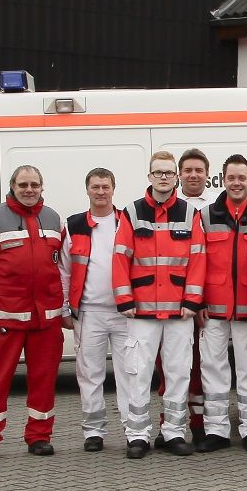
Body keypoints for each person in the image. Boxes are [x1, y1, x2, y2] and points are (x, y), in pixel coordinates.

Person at [0, 165, 66, 462]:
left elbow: (61, 265)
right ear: (12, 186)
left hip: (44, 318)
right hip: (2, 319)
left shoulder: (54, 219)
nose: (29, 189)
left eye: (35, 184)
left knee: (44, 380)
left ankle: (39, 436)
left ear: (42, 187)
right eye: (23, 184)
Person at [113, 150, 207, 459]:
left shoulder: (189, 213)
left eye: (168, 173)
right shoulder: (132, 211)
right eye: (158, 172)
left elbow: (197, 258)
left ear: (176, 177)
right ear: (150, 176)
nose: (163, 178)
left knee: (179, 372)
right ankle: (137, 435)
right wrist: (124, 298)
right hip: (141, 310)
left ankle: (174, 433)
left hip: (179, 310)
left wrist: (193, 301)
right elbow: (120, 257)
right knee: (138, 373)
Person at [197, 154, 247, 453]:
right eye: (231, 177)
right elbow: (196, 260)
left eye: (242, 177)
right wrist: (198, 298)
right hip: (213, 307)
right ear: (222, 179)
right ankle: (216, 430)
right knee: (213, 368)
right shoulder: (205, 216)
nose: (237, 182)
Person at [60, 168, 132, 453]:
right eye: (95, 187)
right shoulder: (74, 225)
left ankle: (133, 428)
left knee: (130, 372)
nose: (101, 192)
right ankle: (93, 431)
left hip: (124, 312)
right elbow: (64, 271)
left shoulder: (126, 221)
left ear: (114, 189)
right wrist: (66, 307)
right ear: (87, 190)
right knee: (90, 373)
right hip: (88, 312)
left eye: (105, 186)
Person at [178, 148, 216, 442]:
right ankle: (175, 424)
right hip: (171, 303)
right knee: (176, 367)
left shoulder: (214, 208)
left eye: (198, 170)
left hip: (202, 302)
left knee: (204, 365)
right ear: (179, 174)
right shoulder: (171, 206)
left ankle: (202, 424)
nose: (193, 175)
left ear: (207, 175)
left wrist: (202, 299)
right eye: (188, 170)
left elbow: (211, 259)